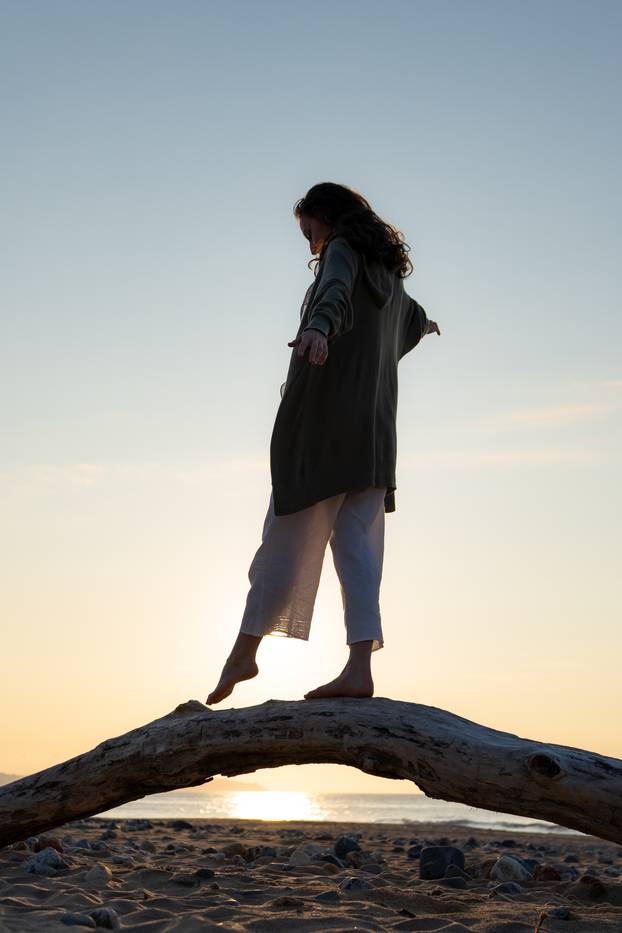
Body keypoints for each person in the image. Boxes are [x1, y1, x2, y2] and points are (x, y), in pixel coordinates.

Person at [206, 182, 440, 706]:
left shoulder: (341, 251)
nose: (308, 240)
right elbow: (411, 320)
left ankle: (245, 651)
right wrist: (427, 326)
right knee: (360, 550)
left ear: (324, 217)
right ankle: (359, 668)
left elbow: (334, 290)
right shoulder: (390, 279)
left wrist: (318, 327)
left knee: (284, 532)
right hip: (376, 438)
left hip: (327, 424)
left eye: (307, 228)